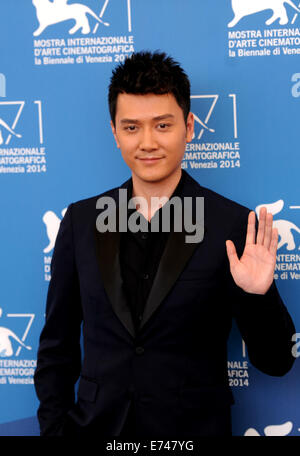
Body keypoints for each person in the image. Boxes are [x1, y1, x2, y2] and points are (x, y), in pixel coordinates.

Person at [34, 51, 295, 437]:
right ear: (114, 132)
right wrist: (55, 429)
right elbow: (57, 347)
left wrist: (259, 294)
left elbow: (276, 362)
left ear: (189, 127)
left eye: (162, 125)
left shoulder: (232, 224)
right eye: (131, 127)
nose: (147, 142)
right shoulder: (82, 222)